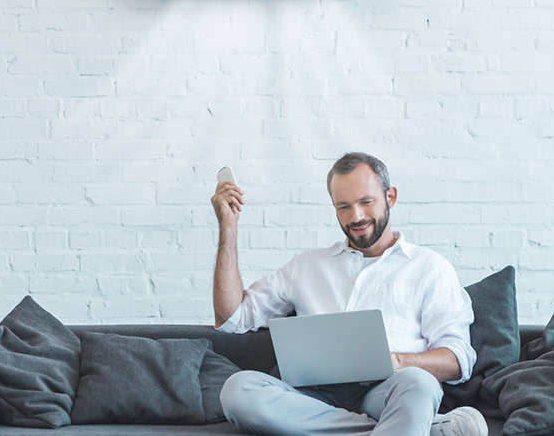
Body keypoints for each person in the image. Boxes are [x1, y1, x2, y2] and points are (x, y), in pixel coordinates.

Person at [209, 152, 488, 436]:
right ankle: (408, 430)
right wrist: (228, 227)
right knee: (237, 390)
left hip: (388, 392)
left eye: (366, 202)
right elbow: (233, 316)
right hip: (312, 397)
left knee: (421, 383)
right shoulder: (307, 265)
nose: (356, 217)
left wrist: (399, 361)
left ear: (390, 197)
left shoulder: (430, 267)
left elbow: (457, 360)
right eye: (343, 206)